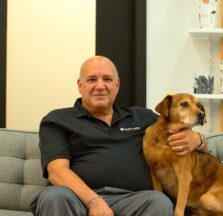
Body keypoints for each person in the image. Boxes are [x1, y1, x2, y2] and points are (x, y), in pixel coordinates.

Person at [29, 56, 207, 216]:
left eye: (107, 79)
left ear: (117, 85)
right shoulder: (58, 119)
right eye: (92, 79)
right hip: (78, 199)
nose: (100, 86)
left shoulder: (142, 117)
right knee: (54, 196)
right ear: (80, 85)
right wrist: (94, 201)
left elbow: (179, 127)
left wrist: (197, 139)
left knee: (159, 202)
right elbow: (57, 172)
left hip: (133, 200)